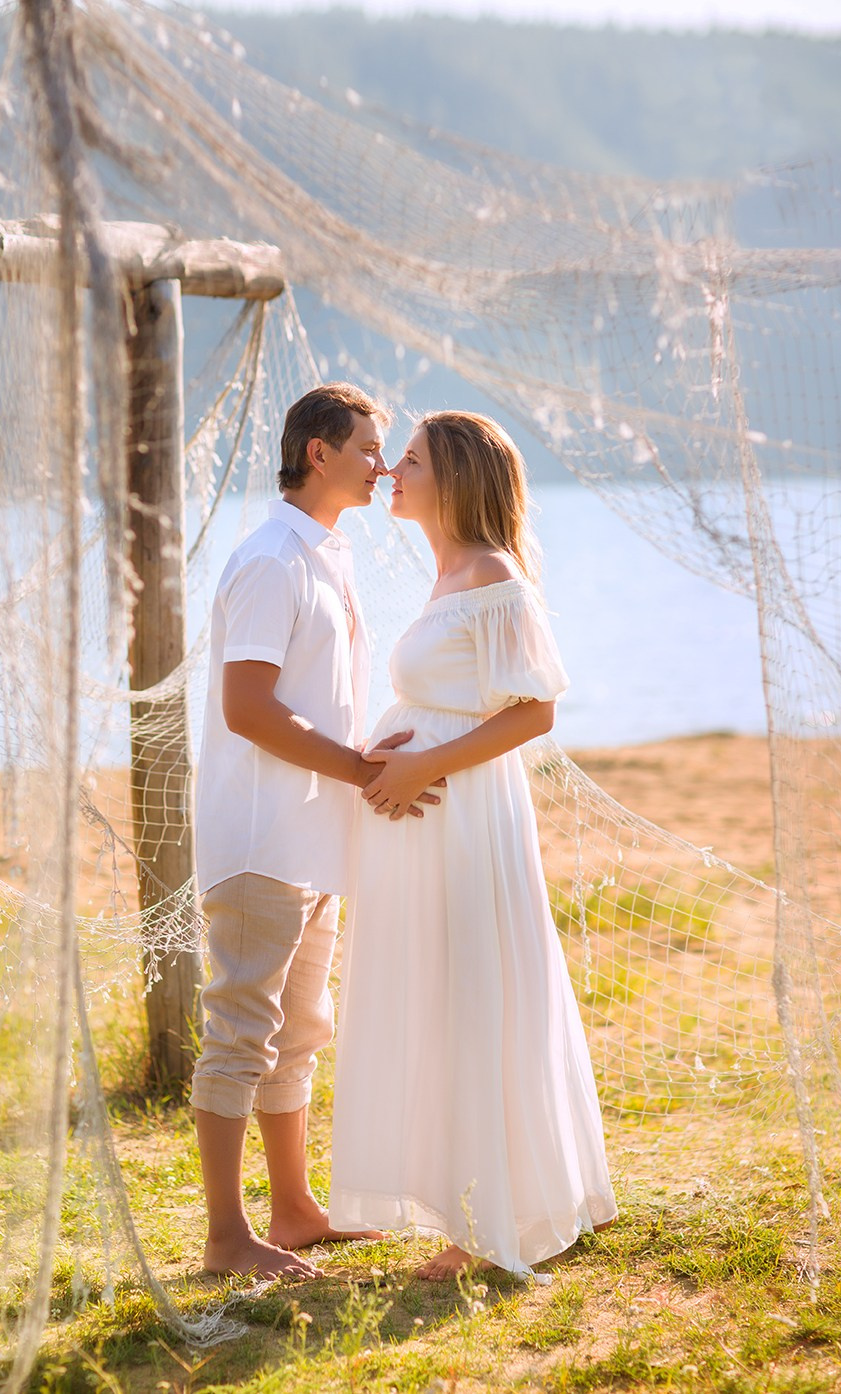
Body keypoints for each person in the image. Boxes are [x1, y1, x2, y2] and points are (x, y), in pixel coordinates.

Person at [328, 410, 617, 1280]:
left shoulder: (493, 575)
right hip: (430, 822)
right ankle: (465, 1196)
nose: (390, 474)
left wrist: (424, 770)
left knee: (471, 991)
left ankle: (484, 1228)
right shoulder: (449, 573)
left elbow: (534, 711)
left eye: (407, 461)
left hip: (465, 819)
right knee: (437, 993)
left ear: (450, 477)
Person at [191, 382, 443, 1280]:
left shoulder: (325, 555)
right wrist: (364, 773)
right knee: (239, 1033)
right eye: (369, 448)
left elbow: (313, 702)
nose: (382, 465)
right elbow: (248, 711)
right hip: (260, 840)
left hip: (314, 841)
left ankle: (293, 1212)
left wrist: (366, 756)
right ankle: (227, 1238)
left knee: (297, 1033)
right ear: (317, 454)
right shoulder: (270, 561)